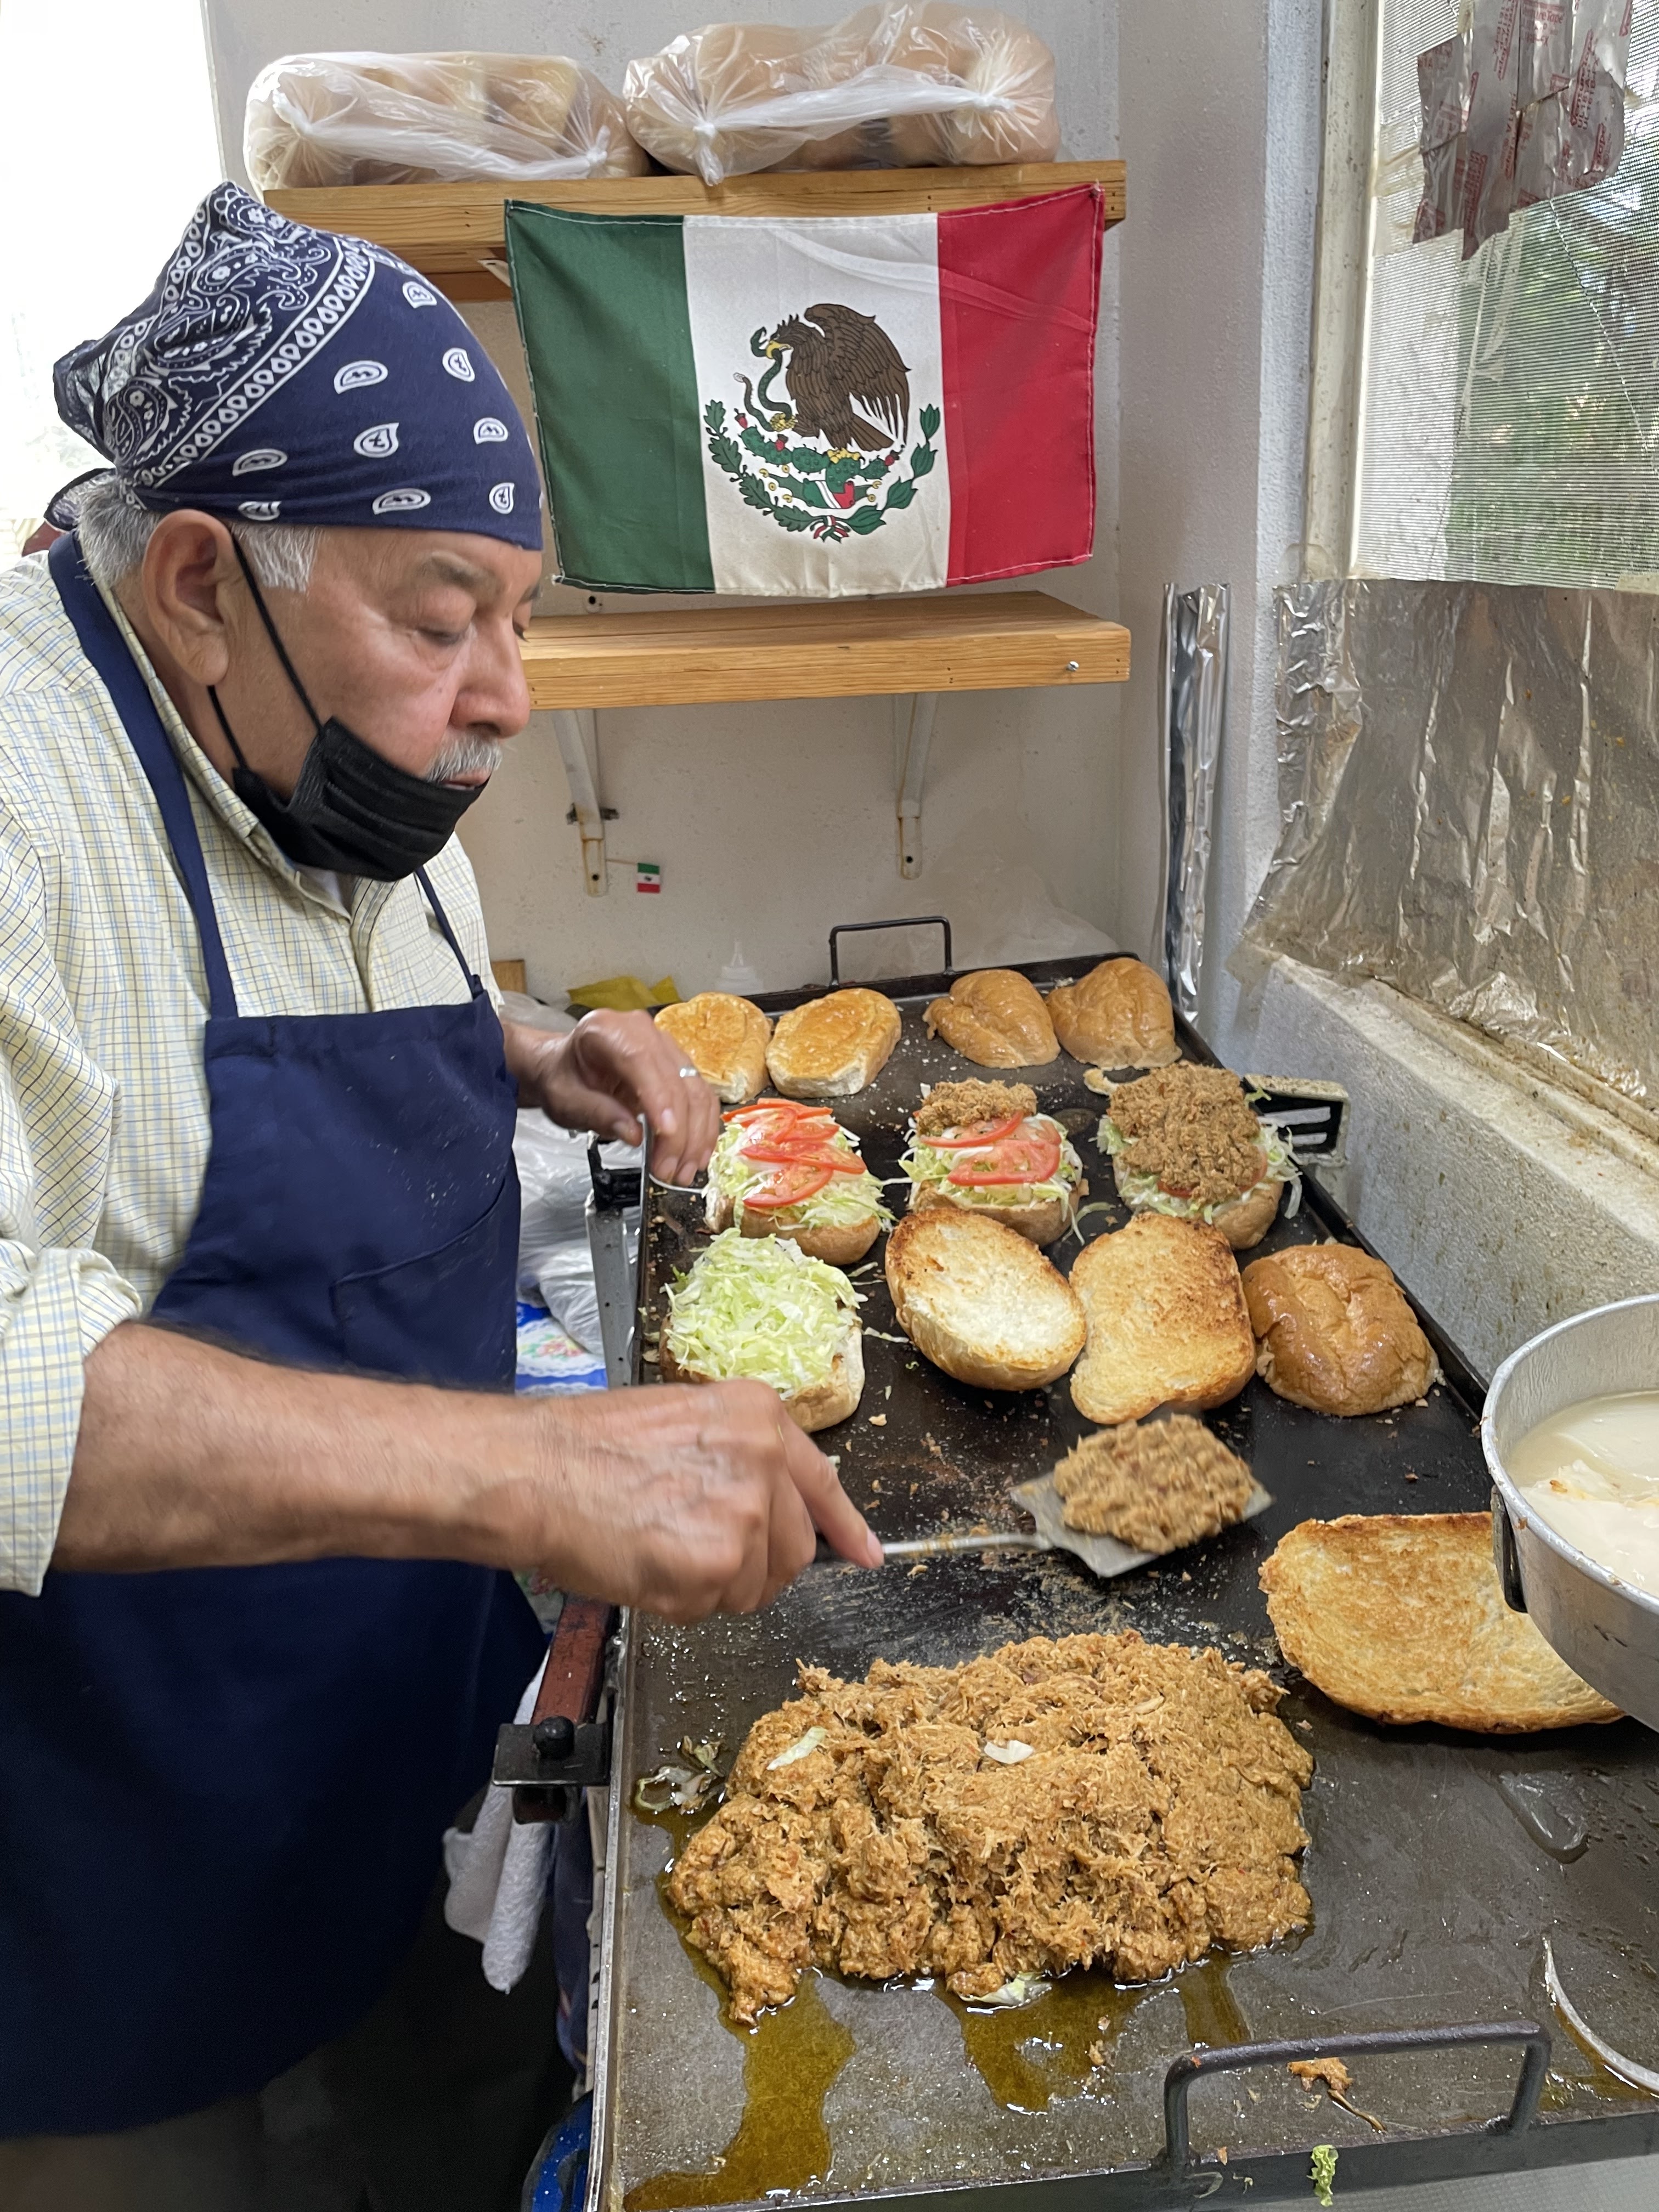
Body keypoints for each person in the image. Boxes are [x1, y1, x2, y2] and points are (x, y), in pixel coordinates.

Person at [0, 184, 878, 2205]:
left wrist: (521, 1043)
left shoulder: (321, 736)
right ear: (203, 583)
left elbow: (321, 967)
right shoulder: (34, 792)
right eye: (438, 618)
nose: (508, 699)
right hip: (113, 1887)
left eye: (522, 616)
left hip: (386, 1759)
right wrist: (528, 1478)